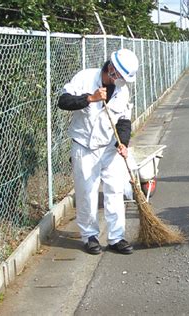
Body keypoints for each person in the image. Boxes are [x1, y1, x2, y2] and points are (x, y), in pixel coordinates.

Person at [57, 48, 139, 254]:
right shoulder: (85, 78)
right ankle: (90, 236)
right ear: (111, 69)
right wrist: (89, 99)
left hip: (109, 148)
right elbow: (63, 101)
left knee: (115, 191)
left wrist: (123, 143)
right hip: (84, 147)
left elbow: (123, 120)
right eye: (121, 76)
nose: (123, 81)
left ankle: (116, 237)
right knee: (87, 193)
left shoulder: (122, 91)